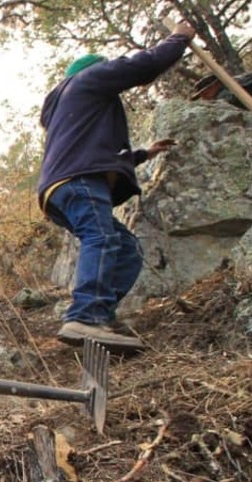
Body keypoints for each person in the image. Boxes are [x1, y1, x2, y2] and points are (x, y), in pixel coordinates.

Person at [37, 20, 196, 353]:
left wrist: (142, 154)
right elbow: (142, 66)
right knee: (102, 237)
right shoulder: (88, 79)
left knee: (126, 248)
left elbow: (90, 150)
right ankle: (86, 316)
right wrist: (178, 38)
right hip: (81, 182)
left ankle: (102, 317)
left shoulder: (68, 107)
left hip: (61, 189)